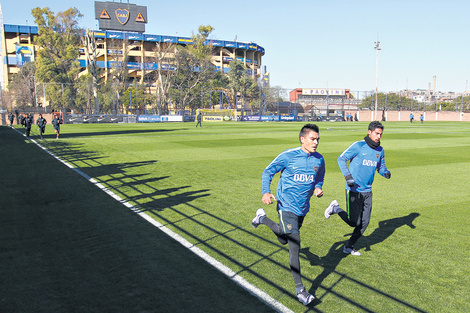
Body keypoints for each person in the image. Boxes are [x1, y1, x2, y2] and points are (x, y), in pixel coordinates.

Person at [252, 123, 325, 305]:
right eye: (312, 138)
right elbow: (268, 171)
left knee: (284, 238)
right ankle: (300, 290)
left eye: (317, 139)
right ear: (302, 139)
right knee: (294, 245)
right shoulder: (288, 156)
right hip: (285, 205)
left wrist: (317, 187)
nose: (315, 142)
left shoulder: (319, 159)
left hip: (303, 208)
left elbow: (320, 176)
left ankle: (262, 218)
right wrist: (265, 192)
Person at [324, 121, 391, 256]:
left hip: (367, 191)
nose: (379, 136)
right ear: (369, 132)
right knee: (354, 222)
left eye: (381, 134)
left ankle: (349, 246)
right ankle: (335, 208)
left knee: (364, 222)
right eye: (377, 133)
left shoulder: (380, 150)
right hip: (353, 189)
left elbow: (381, 167)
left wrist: (385, 172)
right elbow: (341, 158)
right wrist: (348, 176)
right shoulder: (359, 146)